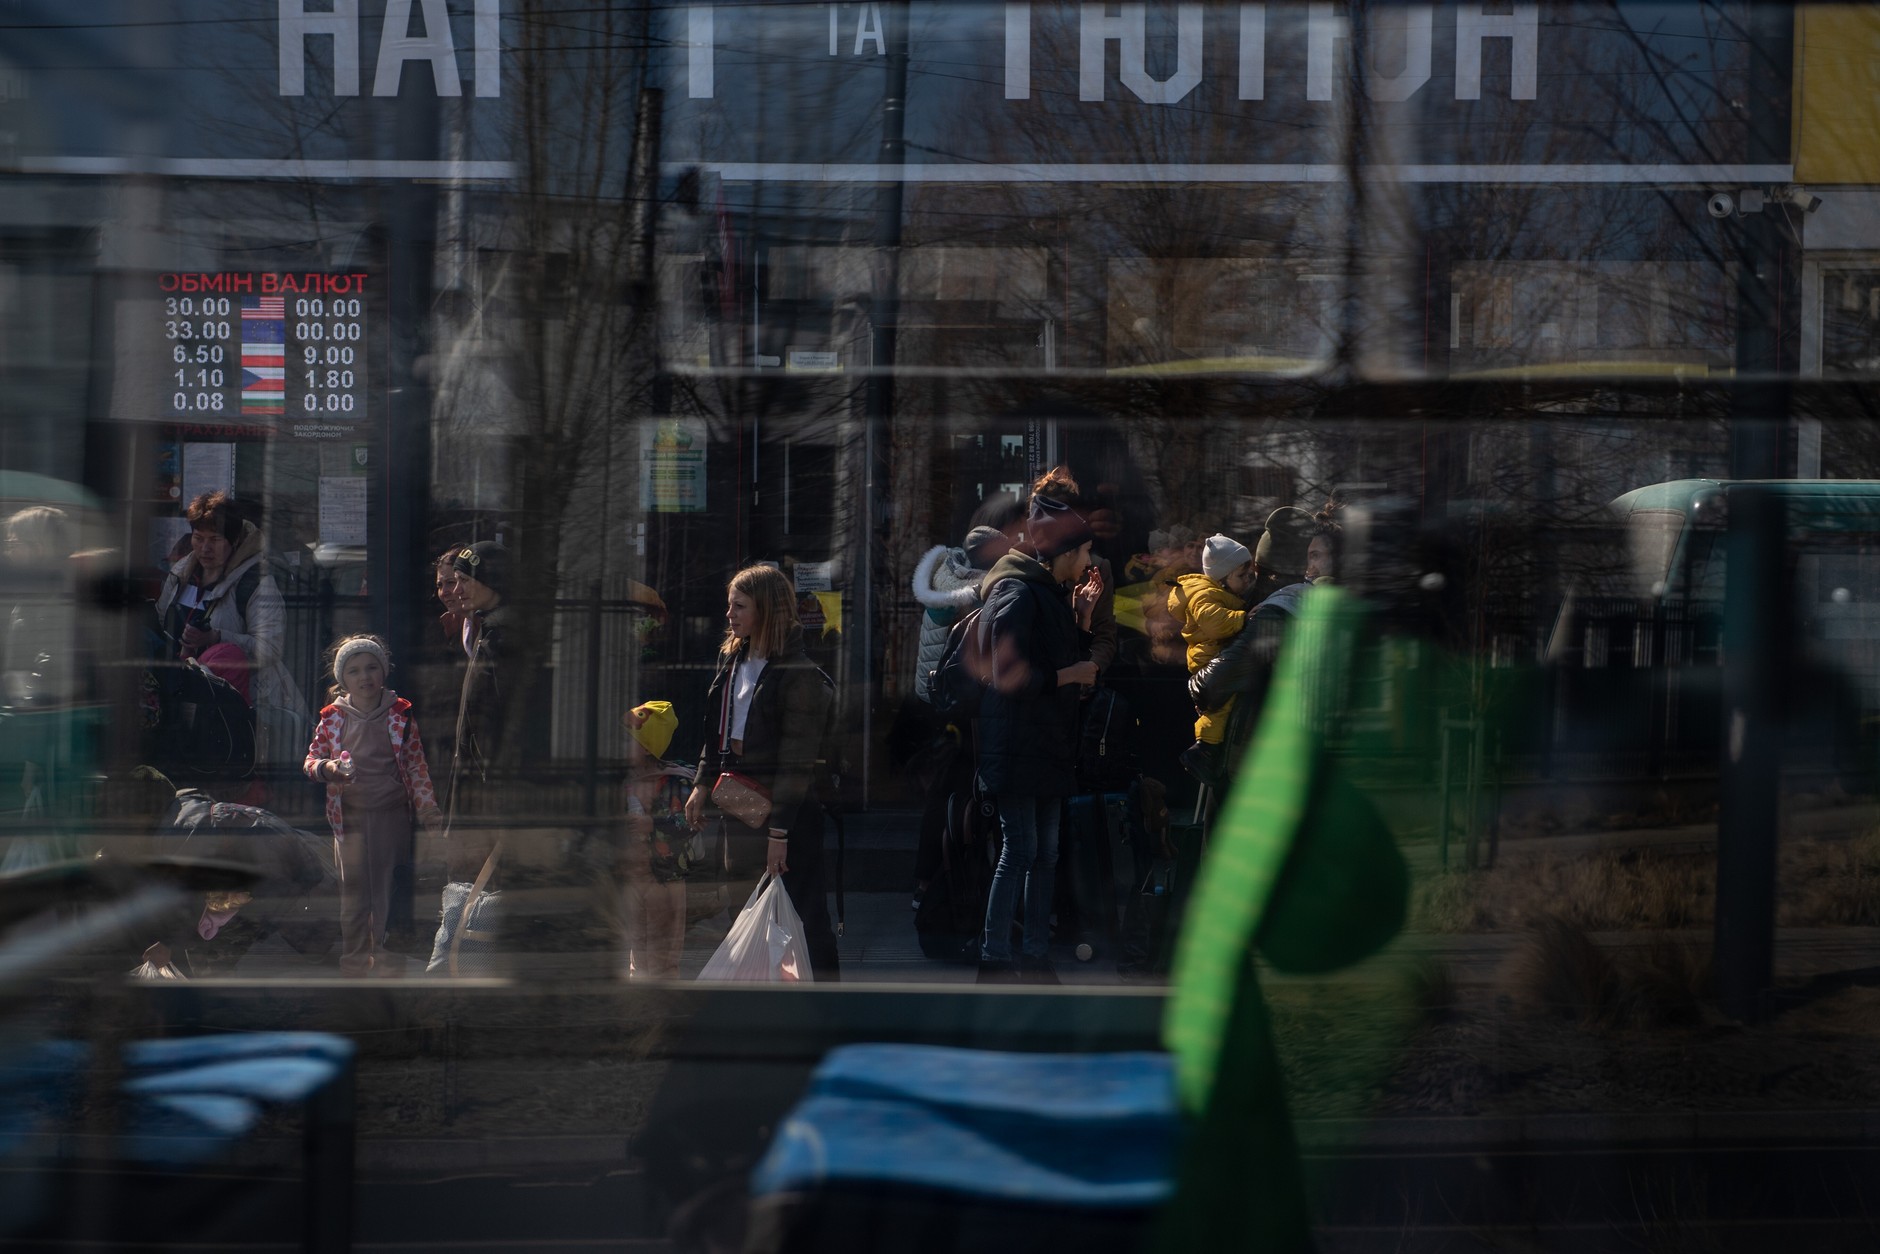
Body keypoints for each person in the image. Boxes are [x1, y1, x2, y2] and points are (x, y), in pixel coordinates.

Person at [683, 564, 840, 978]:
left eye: (740, 606)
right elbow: (715, 731)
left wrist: (779, 833)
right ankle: (758, 1002)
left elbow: (796, 761)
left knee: (802, 916)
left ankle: (825, 1006)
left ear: (766, 610)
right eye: (729, 605)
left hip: (786, 813)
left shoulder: (797, 674)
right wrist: (702, 783)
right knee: (745, 911)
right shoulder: (733, 660)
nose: (730, 614)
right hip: (741, 804)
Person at [974, 492, 1103, 982]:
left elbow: (1060, 662)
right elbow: (1006, 674)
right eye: (1085, 552)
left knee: (1045, 853)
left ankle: (1033, 953)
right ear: (1065, 553)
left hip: (1045, 743)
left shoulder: (1047, 593)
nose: (1089, 562)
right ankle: (995, 957)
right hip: (1016, 742)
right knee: (1021, 850)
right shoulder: (1017, 591)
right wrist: (1069, 677)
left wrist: (1083, 623)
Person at [303, 635, 443, 976]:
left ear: (383, 672)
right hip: (348, 821)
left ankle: (387, 962)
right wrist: (329, 769)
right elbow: (311, 760)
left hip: (390, 818)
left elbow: (416, 765)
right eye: (353, 671)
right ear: (342, 679)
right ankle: (353, 963)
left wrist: (428, 811)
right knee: (353, 896)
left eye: (371, 668)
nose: (364, 676)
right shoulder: (333, 719)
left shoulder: (400, 716)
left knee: (387, 894)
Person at [154, 491, 308, 766]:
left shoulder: (256, 580)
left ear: (235, 541)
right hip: (185, 695)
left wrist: (217, 637)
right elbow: (160, 619)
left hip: (242, 703)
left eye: (215, 540)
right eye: (198, 538)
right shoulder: (182, 572)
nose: (205, 549)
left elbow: (270, 648)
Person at [1186, 506, 1320, 812]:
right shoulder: (1310, 604)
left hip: (1250, 752)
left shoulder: (1271, 613)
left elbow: (1209, 685)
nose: (1250, 581)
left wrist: (1196, 683)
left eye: (1255, 571)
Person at [443, 541, 514, 877]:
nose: (457, 590)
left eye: (465, 580)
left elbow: (495, 720)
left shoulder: (501, 638)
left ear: (492, 581)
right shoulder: (486, 631)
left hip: (487, 791)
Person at [1173, 533, 1257, 788]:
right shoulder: (1204, 596)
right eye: (1241, 576)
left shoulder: (1214, 592)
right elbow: (1213, 623)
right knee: (1221, 707)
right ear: (1222, 579)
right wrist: (1243, 618)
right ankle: (1204, 749)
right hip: (1209, 658)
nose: (1246, 581)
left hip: (1212, 654)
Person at [621, 699, 688, 980]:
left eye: (630, 741)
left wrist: (652, 823)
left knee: (664, 958)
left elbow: (685, 824)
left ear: (648, 748)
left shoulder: (675, 781)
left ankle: (666, 1013)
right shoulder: (624, 780)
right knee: (637, 953)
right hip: (633, 876)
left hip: (664, 879)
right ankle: (640, 1010)